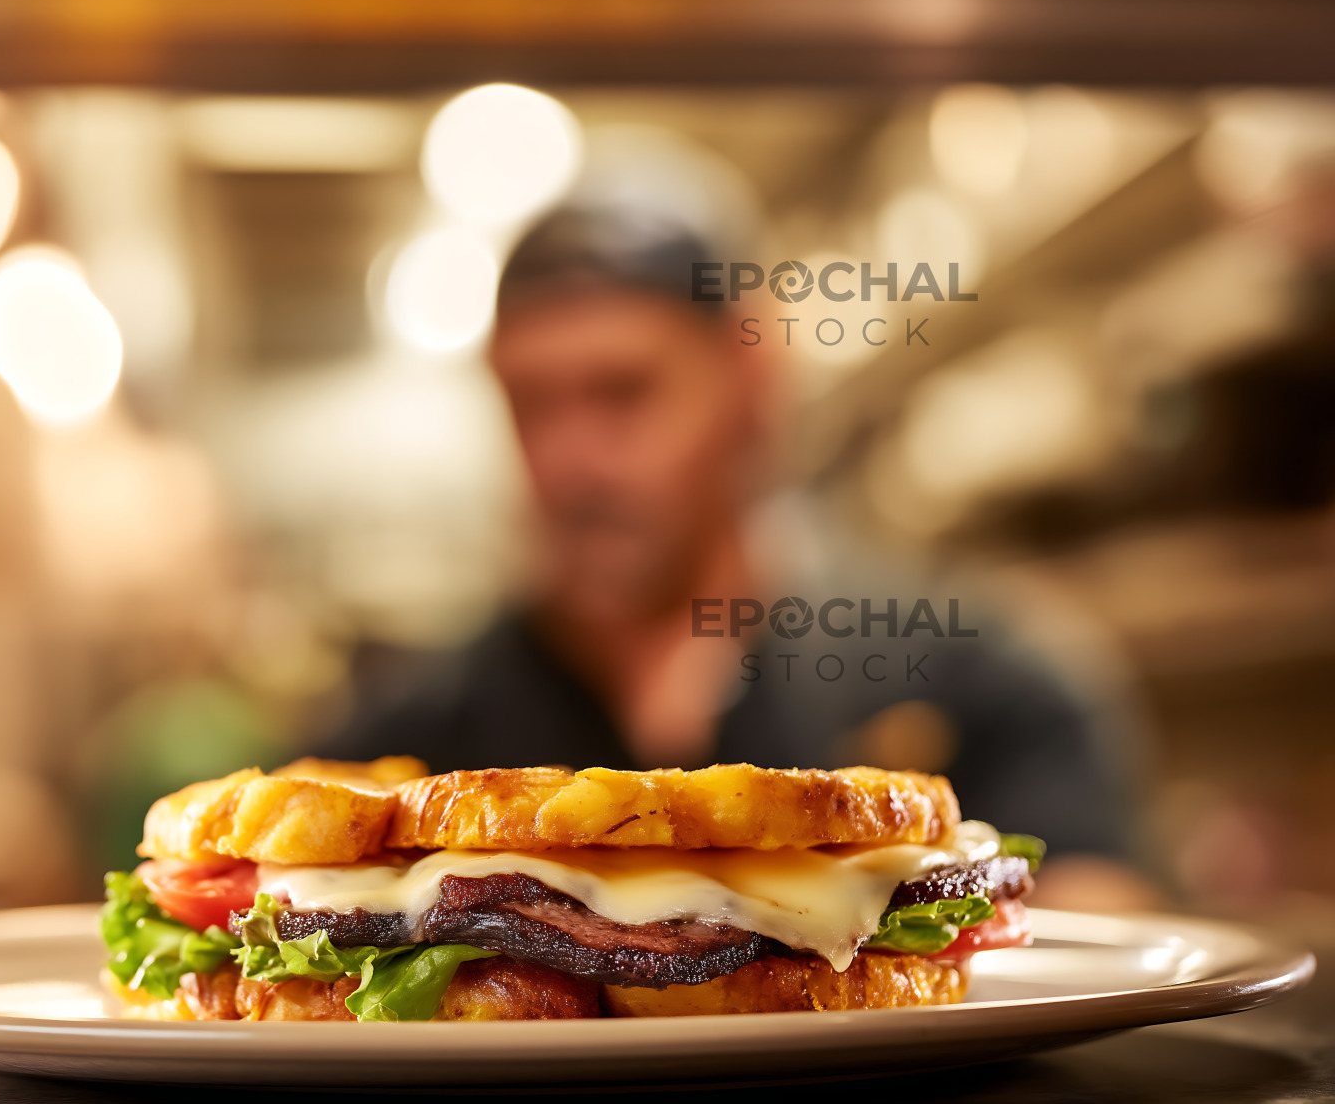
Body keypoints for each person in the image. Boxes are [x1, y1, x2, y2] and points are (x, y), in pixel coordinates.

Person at [325, 206, 1157, 909]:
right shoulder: (412, 734)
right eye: (532, 402)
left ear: (751, 378)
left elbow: (1091, 924)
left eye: (624, 390)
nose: (570, 459)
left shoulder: (973, 671)